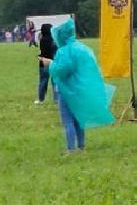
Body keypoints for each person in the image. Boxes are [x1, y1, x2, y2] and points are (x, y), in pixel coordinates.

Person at [48, 18, 114, 153]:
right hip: (80, 90)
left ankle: (71, 148)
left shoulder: (64, 51)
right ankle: (81, 146)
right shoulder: (83, 48)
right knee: (79, 119)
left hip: (67, 91)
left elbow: (62, 69)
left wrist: (50, 64)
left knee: (68, 120)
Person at [34, 22, 57, 104]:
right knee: (55, 82)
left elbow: (43, 52)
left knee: (43, 81)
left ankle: (41, 99)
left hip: (44, 63)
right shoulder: (54, 40)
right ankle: (56, 99)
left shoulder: (42, 40)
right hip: (54, 62)